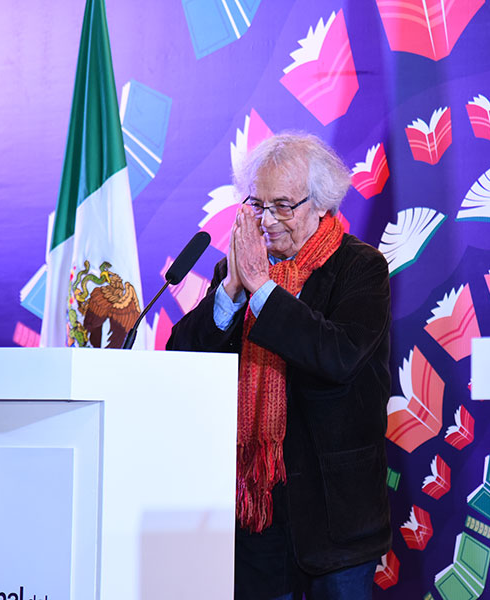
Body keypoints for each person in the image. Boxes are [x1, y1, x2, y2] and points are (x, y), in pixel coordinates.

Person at [167, 132, 392, 599]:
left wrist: (263, 291)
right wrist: (231, 290)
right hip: (256, 514)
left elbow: (338, 356)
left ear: (320, 204)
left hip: (336, 517)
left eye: (283, 206)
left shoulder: (361, 268)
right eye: (257, 205)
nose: (267, 221)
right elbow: (182, 359)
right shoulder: (241, 269)